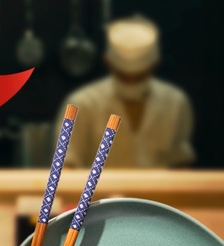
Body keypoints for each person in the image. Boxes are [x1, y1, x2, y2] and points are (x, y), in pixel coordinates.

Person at [55, 17, 194, 168]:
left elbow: (181, 161)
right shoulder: (80, 104)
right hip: (99, 191)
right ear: (108, 63)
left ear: (155, 64)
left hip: (159, 191)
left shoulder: (175, 102)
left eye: (140, 76)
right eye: (123, 76)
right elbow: (66, 165)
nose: (131, 83)